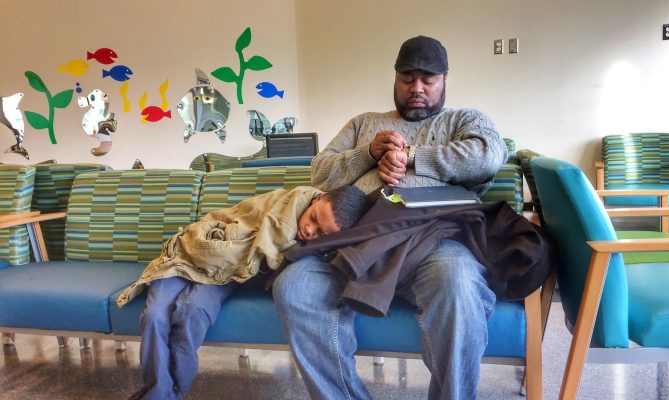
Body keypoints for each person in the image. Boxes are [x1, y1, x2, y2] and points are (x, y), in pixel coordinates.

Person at [273, 35, 508, 400]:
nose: (416, 88)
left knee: (460, 284)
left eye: (428, 80)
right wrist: (368, 153)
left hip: (434, 244)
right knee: (295, 287)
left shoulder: (464, 120)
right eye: (407, 78)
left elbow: (489, 154)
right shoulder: (364, 123)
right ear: (394, 78)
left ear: (445, 79)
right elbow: (319, 172)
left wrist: (412, 155)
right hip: (355, 243)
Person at [119, 184, 371, 400]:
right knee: (154, 315)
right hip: (188, 254)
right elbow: (259, 230)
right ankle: (161, 392)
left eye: (321, 234)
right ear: (317, 197)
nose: (309, 230)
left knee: (192, 313)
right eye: (313, 218)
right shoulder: (288, 204)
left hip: (226, 273)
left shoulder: (316, 247)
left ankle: (167, 393)